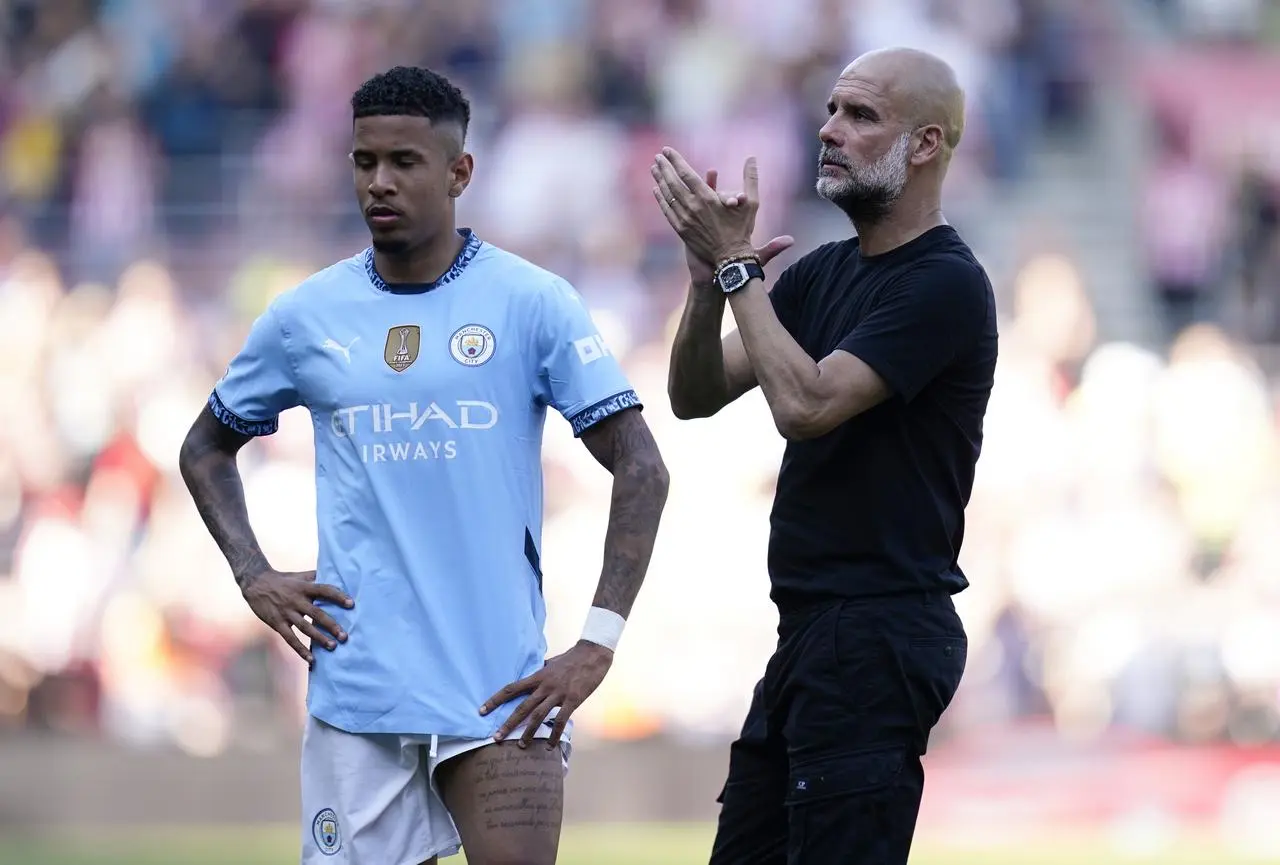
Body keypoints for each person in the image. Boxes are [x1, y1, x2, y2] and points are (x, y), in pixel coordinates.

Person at [178, 65, 669, 865]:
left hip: (500, 689)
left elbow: (643, 468)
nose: (380, 182)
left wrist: (597, 642)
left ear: (458, 171)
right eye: (364, 162)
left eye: (404, 162)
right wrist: (252, 572)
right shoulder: (307, 316)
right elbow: (205, 445)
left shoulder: (531, 301)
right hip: (359, 688)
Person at [658, 47, 998, 864]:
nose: (829, 130)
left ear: (924, 145)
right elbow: (695, 392)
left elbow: (806, 405)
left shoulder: (945, 282)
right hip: (814, 632)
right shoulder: (823, 273)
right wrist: (709, 287)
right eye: (832, 110)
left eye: (860, 115)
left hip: (877, 629)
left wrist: (741, 269)